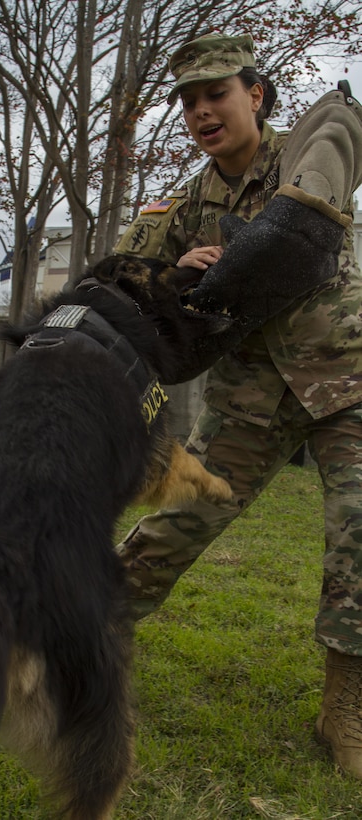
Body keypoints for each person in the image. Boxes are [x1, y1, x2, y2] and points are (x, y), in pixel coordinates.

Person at [114, 32, 362, 778]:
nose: (200, 111)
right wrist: (177, 270)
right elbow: (128, 286)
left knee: (360, 532)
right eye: (187, 101)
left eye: (215, 93)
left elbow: (321, 197)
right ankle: (79, 646)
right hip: (246, 399)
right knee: (173, 529)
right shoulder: (181, 205)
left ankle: (343, 709)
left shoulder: (312, 154)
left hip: (345, 380)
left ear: (254, 95)